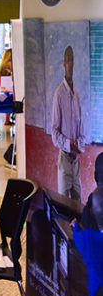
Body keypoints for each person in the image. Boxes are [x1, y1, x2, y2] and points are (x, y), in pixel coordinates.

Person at [51, 45, 85, 201]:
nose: (70, 64)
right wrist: (68, 143)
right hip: (64, 159)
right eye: (67, 60)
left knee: (78, 204)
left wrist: (78, 143)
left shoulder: (77, 95)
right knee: (63, 204)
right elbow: (54, 131)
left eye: (72, 60)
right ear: (64, 64)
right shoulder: (59, 94)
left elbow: (82, 131)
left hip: (76, 161)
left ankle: (77, 227)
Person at [0, 48, 14, 125]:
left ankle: (7, 119)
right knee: (12, 99)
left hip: (2, 91)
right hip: (8, 90)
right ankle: (7, 119)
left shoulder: (2, 64)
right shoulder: (9, 63)